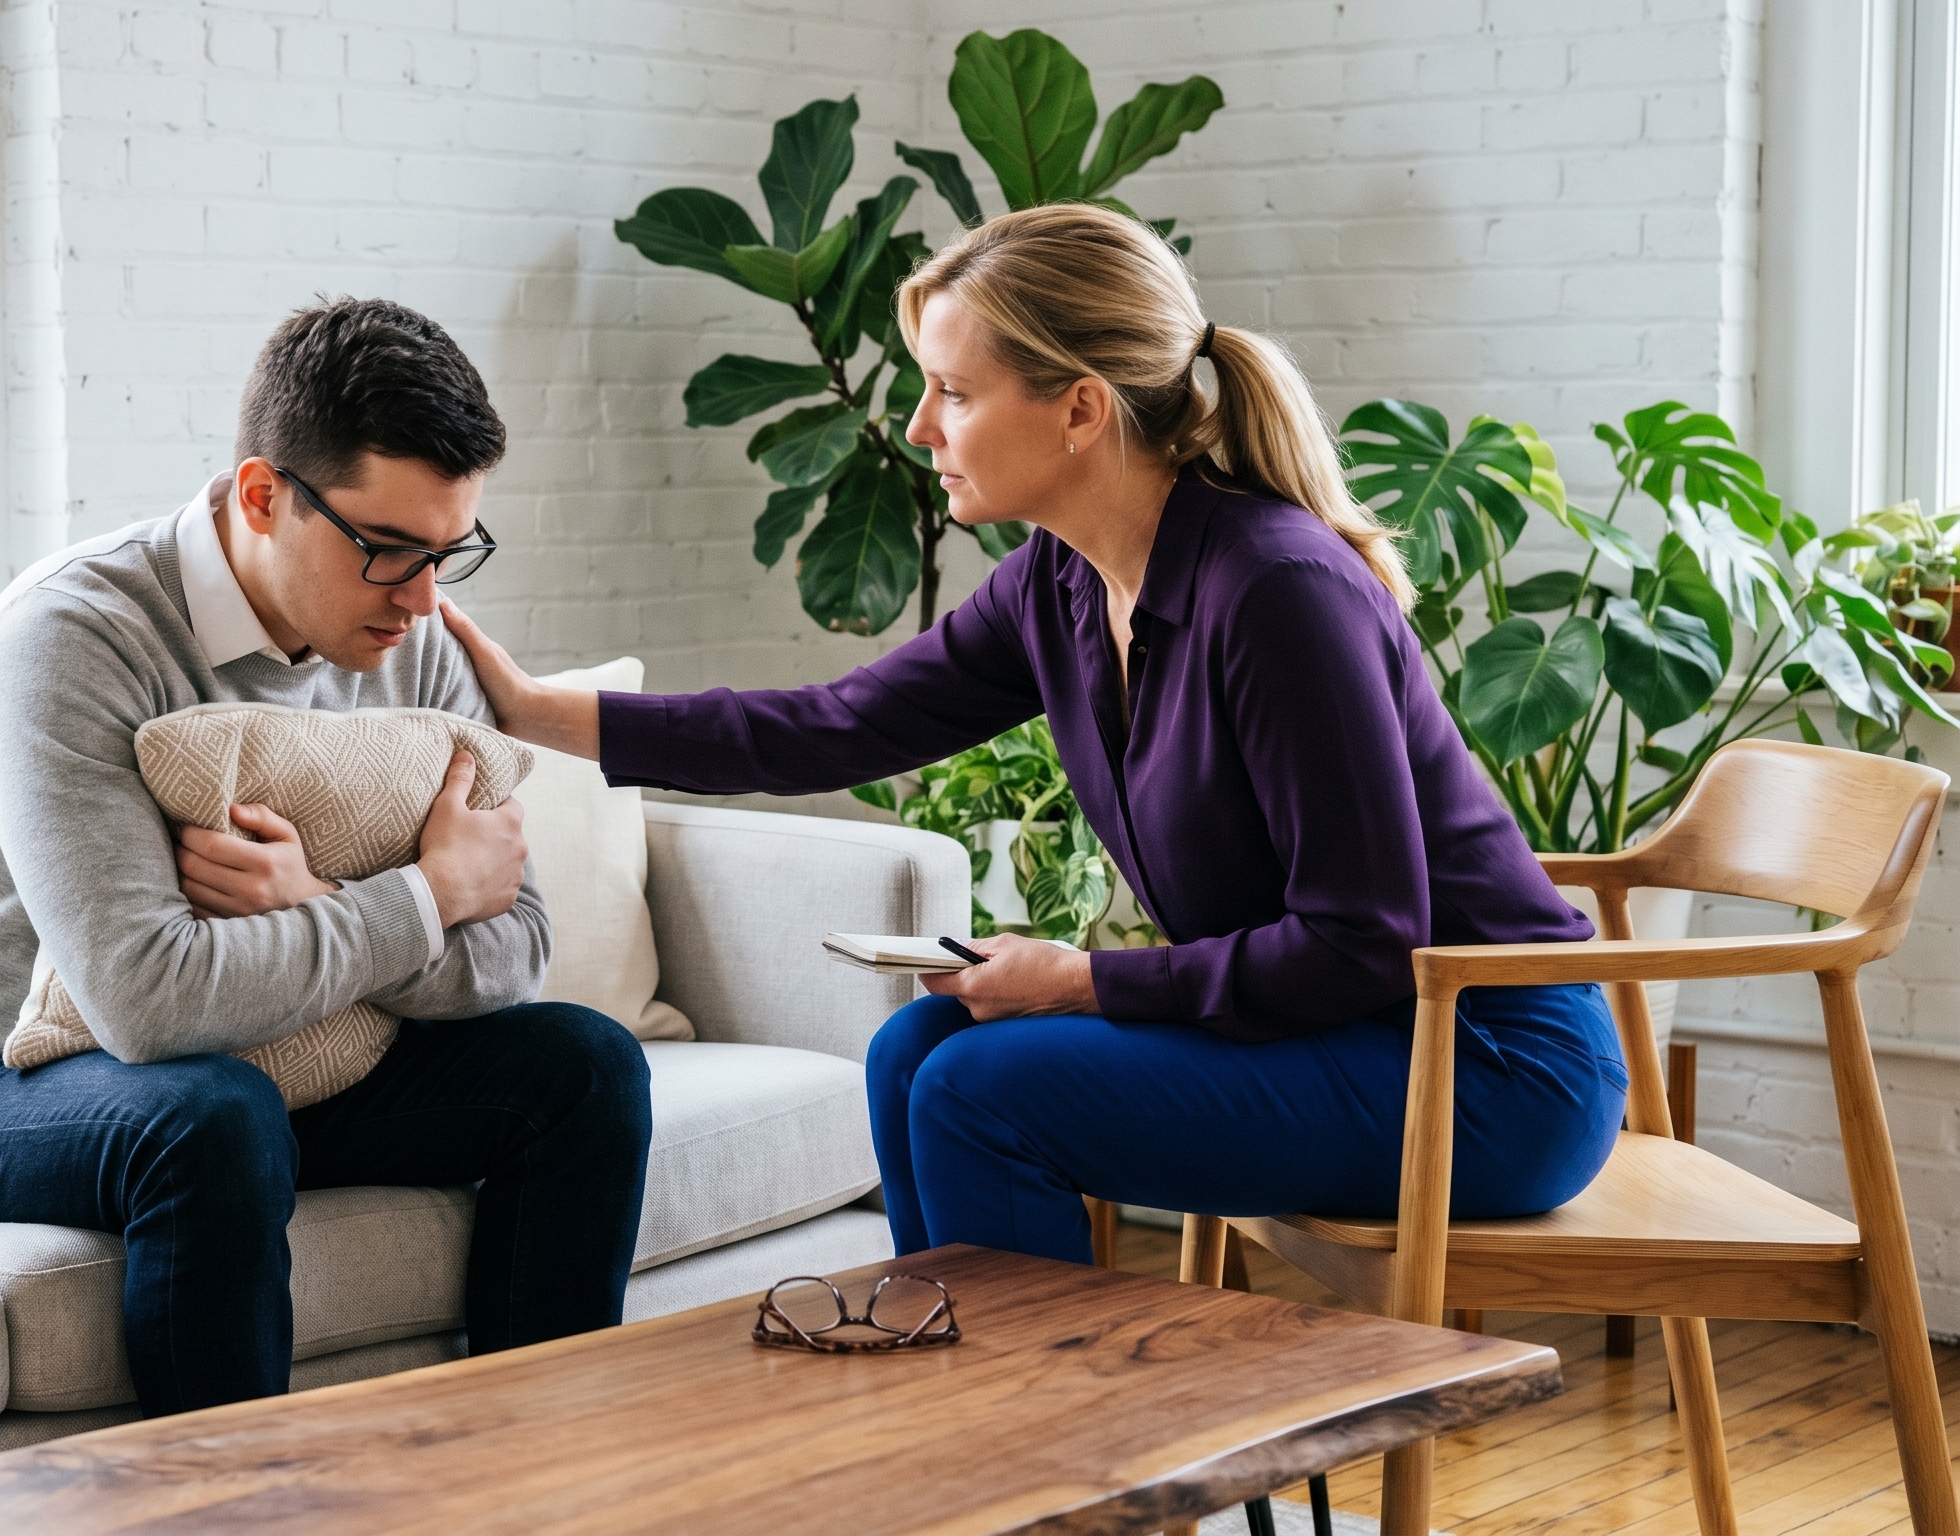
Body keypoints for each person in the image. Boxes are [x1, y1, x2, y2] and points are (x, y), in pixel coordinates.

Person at [440, 204, 1626, 1267]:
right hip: (1338, 1036)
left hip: (1481, 1065)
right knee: (918, 1052)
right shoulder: (1059, 584)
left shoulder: (1278, 593)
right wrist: (540, 713)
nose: (917, 426)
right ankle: (977, 1420)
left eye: (952, 392)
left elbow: (1361, 943)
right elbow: (834, 724)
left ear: (1078, 410)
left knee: (977, 1091)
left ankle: (1049, 1477)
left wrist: (1086, 981)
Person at [0, 297, 652, 1416]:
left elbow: (518, 948)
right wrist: (424, 897)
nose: (421, 601)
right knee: (210, 1114)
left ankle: (527, 1479)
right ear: (265, 496)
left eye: (446, 553)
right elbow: (145, 1003)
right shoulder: (74, 637)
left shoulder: (406, 642)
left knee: (585, 1067)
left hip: (286, 1060)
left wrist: (321, 901)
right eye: (387, 551)